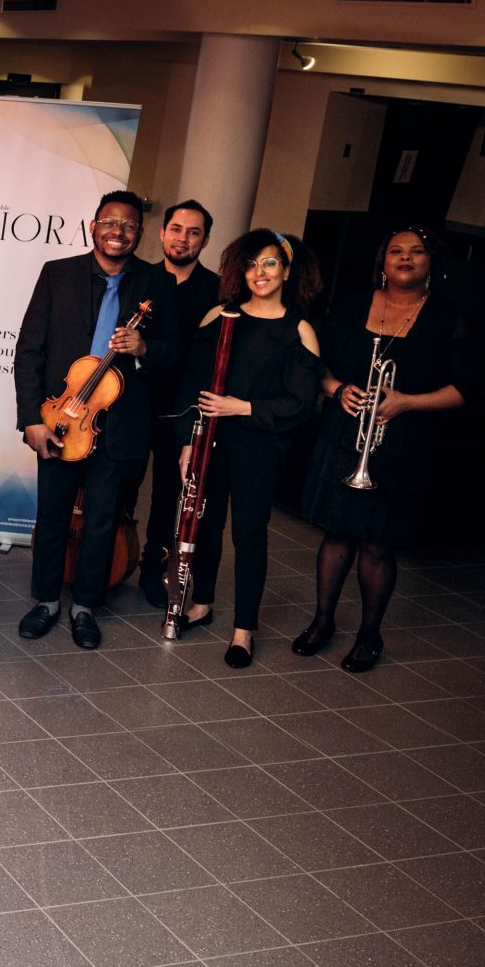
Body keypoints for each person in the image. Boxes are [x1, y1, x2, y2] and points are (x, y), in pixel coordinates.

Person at [297, 227, 474, 672]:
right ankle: (322, 622)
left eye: (417, 252)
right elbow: (316, 362)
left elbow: (467, 389)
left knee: (377, 545)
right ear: (383, 260)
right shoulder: (353, 305)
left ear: (431, 262)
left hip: (402, 445)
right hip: (346, 437)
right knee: (335, 533)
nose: (406, 258)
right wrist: (337, 390)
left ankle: (369, 634)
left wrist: (408, 402)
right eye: (397, 251)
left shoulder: (448, 317)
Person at [13, 190, 180, 650]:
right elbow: (28, 350)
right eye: (109, 223)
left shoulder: (156, 283)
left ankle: (85, 606)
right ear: (93, 226)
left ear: (139, 234)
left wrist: (145, 350)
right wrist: (31, 418)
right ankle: (46, 601)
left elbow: (175, 353)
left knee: (103, 518)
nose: (118, 232)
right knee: (52, 516)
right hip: (62, 419)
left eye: (128, 226)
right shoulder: (57, 274)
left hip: (120, 425)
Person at [171, 230, 323, 668]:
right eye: (253, 263)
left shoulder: (299, 330)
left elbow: (299, 405)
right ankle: (201, 603)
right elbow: (190, 385)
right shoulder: (219, 315)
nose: (260, 272)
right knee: (207, 524)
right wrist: (187, 443)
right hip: (210, 442)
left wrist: (242, 406)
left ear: (287, 271)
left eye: (270, 263)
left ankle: (244, 630)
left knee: (249, 534)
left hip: (259, 446)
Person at [131, 199, 221, 606]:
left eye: (194, 232)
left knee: (168, 497)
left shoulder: (218, 290)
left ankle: (153, 571)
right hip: (130, 403)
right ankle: (111, 560)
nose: (183, 238)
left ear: (205, 240)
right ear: (162, 232)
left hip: (182, 410)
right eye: (177, 229)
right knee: (120, 490)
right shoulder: (138, 278)